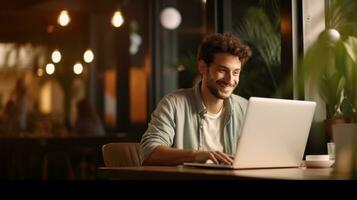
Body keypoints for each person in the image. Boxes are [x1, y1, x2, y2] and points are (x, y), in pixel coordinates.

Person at [140, 33, 252, 166]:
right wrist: (196, 155)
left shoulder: (245, 108)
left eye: (235, 72)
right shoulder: (174, 104)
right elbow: (149, 152)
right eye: (222, 70)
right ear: (203, 68)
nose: (230, 80)